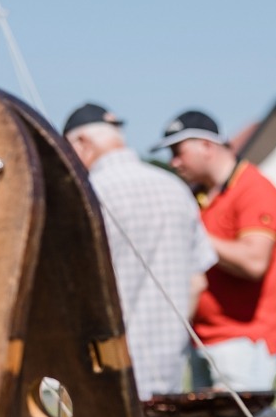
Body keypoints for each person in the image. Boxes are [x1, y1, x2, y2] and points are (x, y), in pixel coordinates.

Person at [64, 103, 216, 399]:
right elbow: (198, 282)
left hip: (108, 371)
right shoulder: (176, 189)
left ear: (82, 143)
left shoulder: (88, 194)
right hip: (170, 365)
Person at [155, 109, 276, 392]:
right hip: (201, 338)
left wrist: (193, 231)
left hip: (242, 341)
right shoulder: (197, 195)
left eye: (178, 151)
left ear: (206, 145)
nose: (173, 162)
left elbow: (254, 262)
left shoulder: (254, 189)